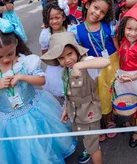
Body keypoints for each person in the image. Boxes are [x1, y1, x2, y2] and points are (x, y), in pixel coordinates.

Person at [0, 19, 77, 163]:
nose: (6, 59)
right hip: (6, 120)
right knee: (18, 150)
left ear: (16, 44)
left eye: (10, 53)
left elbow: (41, 81)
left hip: (35, 109)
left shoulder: (25, 62)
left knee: (41, 144)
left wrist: (22, 76)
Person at [41, 32, 110, 164]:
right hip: (75, 112)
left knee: (93, 147)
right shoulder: (65, 70)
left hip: (90, 113)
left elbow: (105, 61)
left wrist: (79, 65)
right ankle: (89, 146)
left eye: (69, 54)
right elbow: (68, 91)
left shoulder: (87, 63)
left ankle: (93, 150)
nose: (67, 60)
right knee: (87, 138)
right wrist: (66, 108)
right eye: (61, 58)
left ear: (77, 51)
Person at [69, 0, 119, 141]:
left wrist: (122, 63)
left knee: (110, 92)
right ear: (87, 4)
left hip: (112, 64)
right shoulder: (76, 30)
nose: (97, 13)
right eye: (95, 8)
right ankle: (100, 123)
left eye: (102, 11)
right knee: (95, 95)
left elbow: (117, 46)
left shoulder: (108, 26)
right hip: (92, 67)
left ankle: (110, 120)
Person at [115, 0, 137, 148]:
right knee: (126, 100)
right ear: (124, 28)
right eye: (129, 29)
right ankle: (129, 122)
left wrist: (132, 77)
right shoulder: (123, 41)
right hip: (124, 76)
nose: (133, 33)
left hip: (136, 79)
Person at [39, 1, 70, 97]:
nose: (54, 21)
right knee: (61, 86)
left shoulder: (70, 30)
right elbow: (45, 53)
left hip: (70, 63)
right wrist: (57, 62)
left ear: (64, 17)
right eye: (50, 18)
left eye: (57, 18)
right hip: (56, 67)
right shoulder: (46, 34)